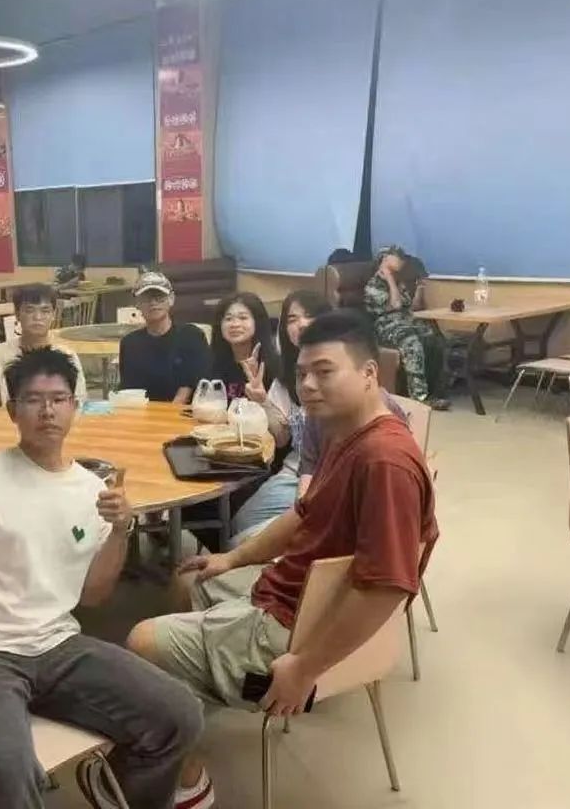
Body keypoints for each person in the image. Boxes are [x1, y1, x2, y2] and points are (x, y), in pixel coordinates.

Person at [126, 310, 439, 801]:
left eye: (325, 371)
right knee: (190, 579)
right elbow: (301, 515)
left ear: (369, 373)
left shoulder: (384, 461)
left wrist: (305, 667)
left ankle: (189, 784)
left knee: (141, 640)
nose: (308, 385)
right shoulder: (345, 434)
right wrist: (232, 560)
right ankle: (193, 705)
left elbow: (386, 588)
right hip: (294, 592)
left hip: (299, 626)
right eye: (302, 373)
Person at [0, 348, 204, 809]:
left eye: (58, 399)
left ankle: (119, 795)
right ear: (12, 411)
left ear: (75, 406)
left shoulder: (90, 490)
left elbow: (93, 595)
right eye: (33, 400)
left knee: (180, 714)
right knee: (8, 769)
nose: (47, 410)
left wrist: (120, 531)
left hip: (57, 643)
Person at [224, 290, 332, 546]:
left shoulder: (340, 369)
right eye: (292, 319)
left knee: (242, 542)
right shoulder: (286, 376)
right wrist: (262, 400)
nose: (301, 324)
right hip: (295, 468)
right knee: (239, 522)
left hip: (331, 473)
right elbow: (282, 438)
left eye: (310, 316)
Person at [364, 246, 449, 410]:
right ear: (385, 259)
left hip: (405, 321)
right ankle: (419, 397)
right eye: (397, 257)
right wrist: (389, 278)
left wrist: (420, 288)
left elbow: (411, 307)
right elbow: (395, 305)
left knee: (433, 337)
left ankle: (436, 391)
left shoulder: (398, 282)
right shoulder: (373, 286)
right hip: (386, 326)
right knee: (412, 343)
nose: (401, 261)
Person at [0, 283, 86, 408]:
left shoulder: (67, 356)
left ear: (53, 315)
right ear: (17, 314)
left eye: (45, 311)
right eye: (29, 310)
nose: (37, 317)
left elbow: (77, 404)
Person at [118, 271, 210, 404]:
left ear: (171, 299)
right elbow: (129, 390)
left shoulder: (192, 335)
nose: (153, 303)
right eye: (146, 298)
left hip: (184, 412)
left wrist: (170, 413)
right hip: (142, 412)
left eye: (159, 297)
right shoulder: (129, 343)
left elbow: (192, 384)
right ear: (137, 304)